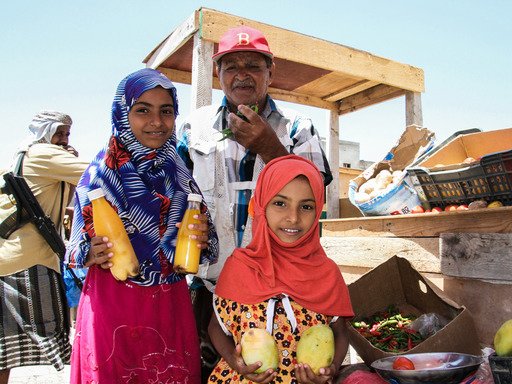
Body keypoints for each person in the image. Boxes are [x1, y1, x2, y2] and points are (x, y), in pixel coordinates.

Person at [176, 25, 333, 377]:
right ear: (218, 75)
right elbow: (176, 195)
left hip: (281, 291)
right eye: (231, 66)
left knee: (277, 372)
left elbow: (315, 191)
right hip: (211, 288)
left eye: (253, 65)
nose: (241, 75)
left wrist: (270, 148)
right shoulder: (194, 127)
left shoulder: (296, 128)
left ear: (270, 72)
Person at [65, 68, 219, 384]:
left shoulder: (179, 172)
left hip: (169, 305)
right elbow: (74, 250)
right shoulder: (101, 173)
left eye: (166, 111)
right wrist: (89, 252)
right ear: (123, 113)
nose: (157, 122)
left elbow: (208, 241)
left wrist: (202, 239)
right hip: (114, 304)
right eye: (143, 110)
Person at [207, 155, 353, 384]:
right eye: (280, 203)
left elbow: (341, 333)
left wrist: (330, 370)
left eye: (306, 206)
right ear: (262, 205)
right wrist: (235, 362)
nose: (293, 218)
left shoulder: (327, 273)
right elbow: (216, 327)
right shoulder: (239, 266)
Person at [0, 111, 89, 384]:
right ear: (44, 133)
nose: (63, 140)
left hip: (14, 259)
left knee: (4, 350)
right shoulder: (43, 154)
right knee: (56, 338)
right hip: (28, 261)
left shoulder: (25, 154)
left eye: (67, 135)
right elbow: (98, 171)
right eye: (58, 133)